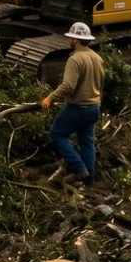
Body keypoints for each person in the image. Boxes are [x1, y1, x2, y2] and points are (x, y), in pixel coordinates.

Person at [41, 21, 105, 186]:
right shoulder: (97, 58)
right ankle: (89, 181)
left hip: (78, 108)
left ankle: (78, 168)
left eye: (71, 38)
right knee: (86, 142)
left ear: (76, 40)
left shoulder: (75, 59)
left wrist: (50, 98)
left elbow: (68, 85)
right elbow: (101, 84)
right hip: (94, 107)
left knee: (57, 133)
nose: (69, 41)